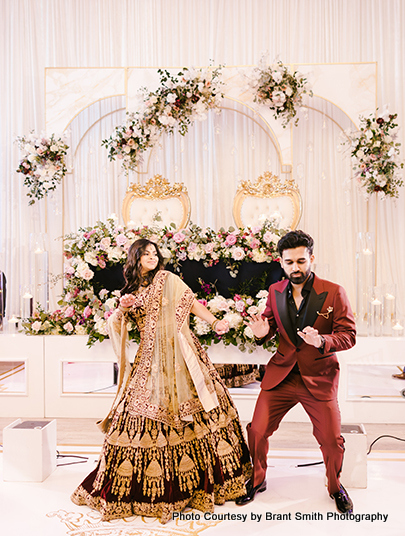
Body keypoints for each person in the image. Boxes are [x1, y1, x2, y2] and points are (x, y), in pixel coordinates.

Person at [71, 239, 251, 524]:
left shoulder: (167, 279)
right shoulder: (129, 292)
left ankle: (205, 485)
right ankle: (141, 491)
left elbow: (190, 303)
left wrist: (215, 322)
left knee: (202, 409)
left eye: (155, 253)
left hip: (182, 356)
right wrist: (122, 310)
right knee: (135, 419)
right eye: (146, 253)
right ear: (135, 258)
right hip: (150, 362)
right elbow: (116, 325)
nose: (152, 257)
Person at [235, 230, 356, 514]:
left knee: (331, 440)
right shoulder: (275, 291)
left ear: (311, 258)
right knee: (257, 430)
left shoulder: (334, 291)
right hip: (281, 375)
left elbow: (348, 335)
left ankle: (335, 487)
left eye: (301, 261)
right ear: (281, 263)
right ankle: (258, 479)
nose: (295, 268)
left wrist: (322, 341)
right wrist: (262, 333)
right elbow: (269, 326)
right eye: (289, 262)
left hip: (319, 378)